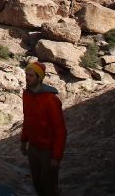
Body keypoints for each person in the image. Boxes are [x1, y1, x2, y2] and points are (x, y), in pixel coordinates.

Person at [21, 61, 66, 196]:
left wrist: (56, 157)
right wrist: (24, 141)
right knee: (37, 182)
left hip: (47, 150)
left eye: (31, 75)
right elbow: (27, 119)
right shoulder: (27, 95)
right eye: (26, 74)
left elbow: (60, 130)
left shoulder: (51, 100)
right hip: (33, 147)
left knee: (49, 185)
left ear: (39, 78)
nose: (27, 78)